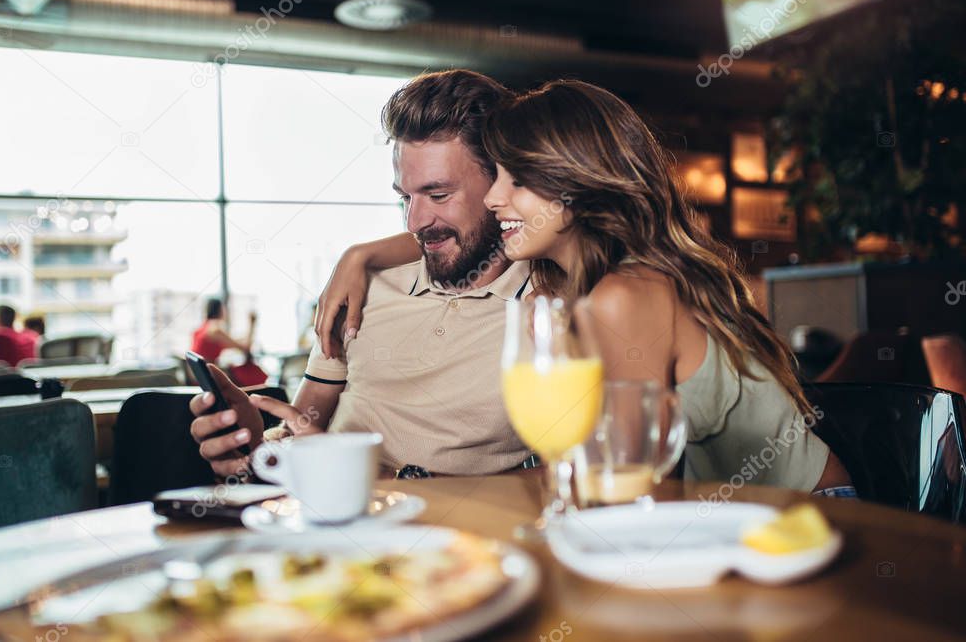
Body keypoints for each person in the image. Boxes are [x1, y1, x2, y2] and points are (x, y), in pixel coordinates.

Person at [316, 79, 852, 493]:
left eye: (516, 180)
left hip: (812, 522)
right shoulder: (571, 288)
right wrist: (360, 255)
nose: (496, 199)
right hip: (738, 526)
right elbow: (453, 238)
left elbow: (624, 491)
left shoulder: (624, 296)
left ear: (572, 187)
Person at [189, 69, 536, 479]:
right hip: (325, 526)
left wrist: (382, 482)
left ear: (504, 182)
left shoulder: (550, 308)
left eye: (438, 195)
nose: (415, 221)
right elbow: (305, 421)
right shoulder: (360, 288)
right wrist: (256, 447)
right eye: (405, 197)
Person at [191, 298, 258, 363]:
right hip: (207, 372)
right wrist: (252, 324)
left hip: (195, 371)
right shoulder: (215, 329)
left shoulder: (205, 327)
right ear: (220, 310)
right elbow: (245, 348)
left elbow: (235, 341)